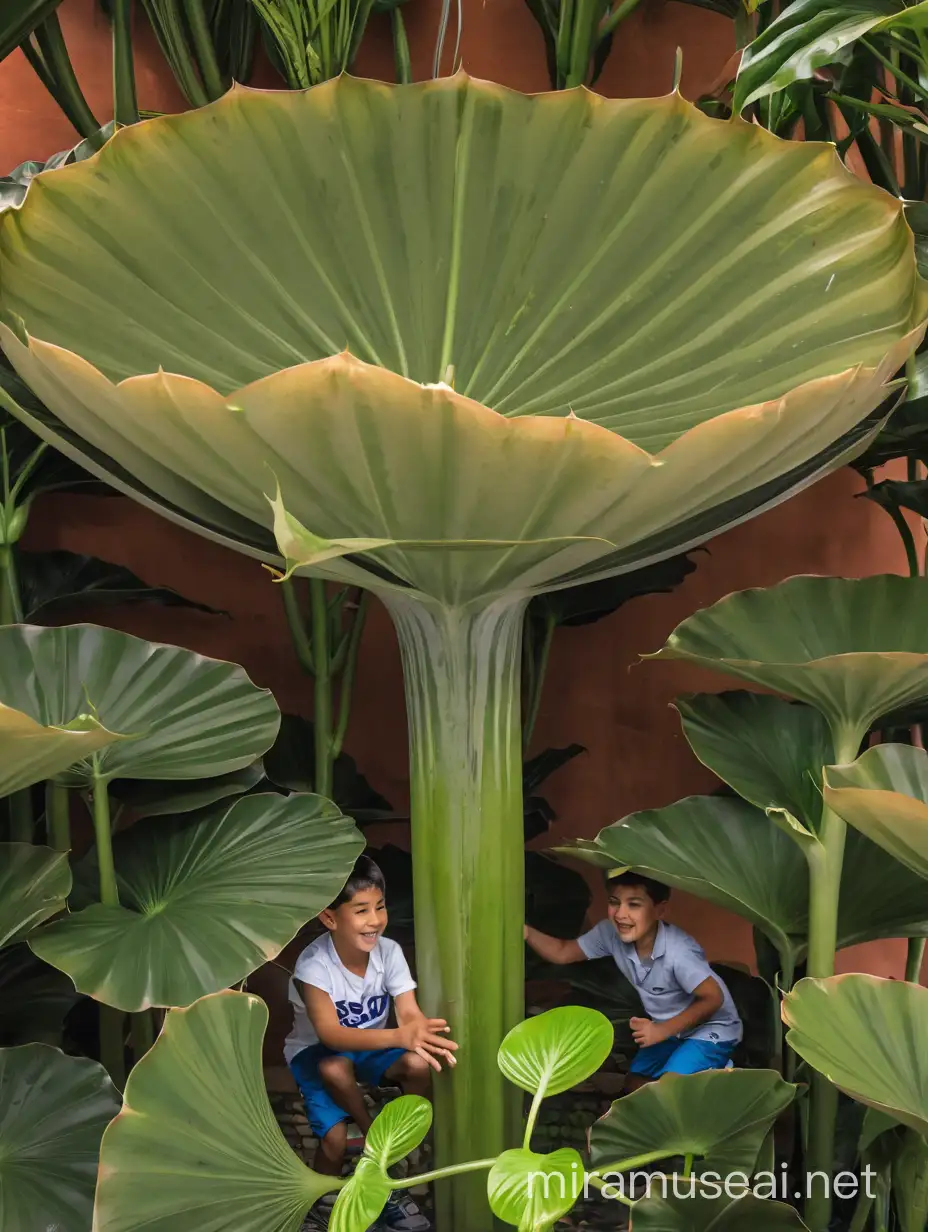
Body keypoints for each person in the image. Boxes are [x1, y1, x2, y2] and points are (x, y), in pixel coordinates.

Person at [285, 855, 458, 1231]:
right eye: (361, 910)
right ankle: (328, 1195)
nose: (375, 920)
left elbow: (408, 1010)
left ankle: (392, 1154)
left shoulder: (389, 952)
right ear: (330, 919)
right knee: (333, 1138)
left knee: (417, 1064)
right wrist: (400, 1034)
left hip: (371, 1046)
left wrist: (417, 1031)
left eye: (379, 907)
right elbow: (330, 1034)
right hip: (315, 1052)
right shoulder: (313, 966)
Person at [524, 870, 742, 1090]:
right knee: (634, 1085)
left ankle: (720, 1074)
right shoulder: (610, 934)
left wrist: (661, 1031)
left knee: (671, 1089)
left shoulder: (678, 952)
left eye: (634, 905)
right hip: (669, 1029)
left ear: (660, 910)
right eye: (614, 902)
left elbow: (714, 997)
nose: (620, 914)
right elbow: (563, 952)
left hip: (710, 1027)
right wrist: (525, 932)